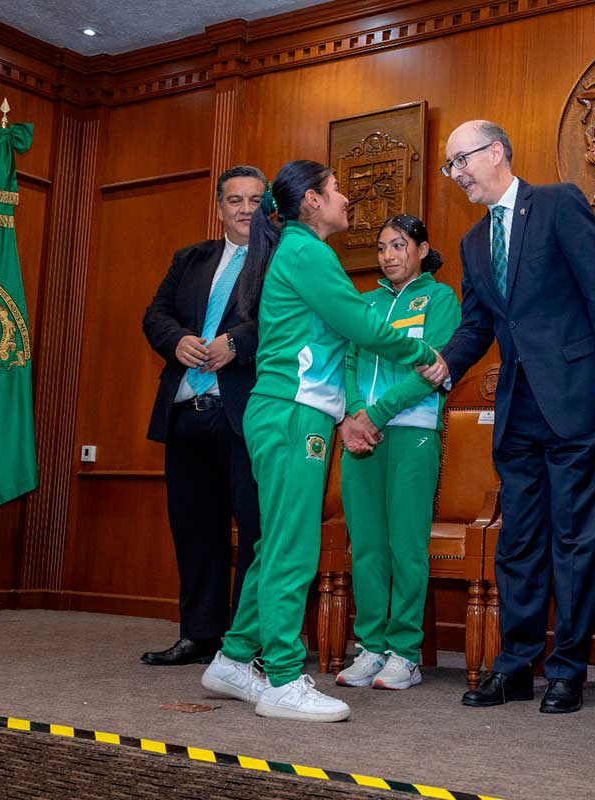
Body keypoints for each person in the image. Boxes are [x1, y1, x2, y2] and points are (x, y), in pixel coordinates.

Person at [199, 160, 448, 723]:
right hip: (293, 414)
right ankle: (284, 677)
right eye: (336, 191)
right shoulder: (307, 251)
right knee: (293, 548)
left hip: (290, 413)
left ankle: (236, 658)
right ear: (311, 200)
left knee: (278, 542)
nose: (344, 201)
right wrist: (422, 353)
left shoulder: (294, 249)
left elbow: (347, 323)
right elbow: (359, 321)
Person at [440, 120, 595, 713]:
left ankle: (568, 671)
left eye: (461, 161)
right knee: (519, 541)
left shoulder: (557, 204)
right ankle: (516, 665)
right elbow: (479, 326)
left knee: (575, 540)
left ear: (496, 151)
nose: (457, 174)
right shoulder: (474, 242)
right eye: (450, 167)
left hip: (577, 397)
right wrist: (443, 366)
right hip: (517, 406)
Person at [141, 165, 266, 666]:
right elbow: (155, 314)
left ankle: (245, 642)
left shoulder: (281, 260)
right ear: (219, 208)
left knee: (255, 531)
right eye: (234, 201)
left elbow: (288, 322)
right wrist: (178, 341)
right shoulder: (189, 258)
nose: (244, 210)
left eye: (255, 201)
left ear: (267, 209)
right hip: (186, 412)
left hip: (246, 416)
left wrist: (235, 342)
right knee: (195, 529)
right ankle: (199, 635)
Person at [334, 214, 461, 690]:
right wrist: (351, 416)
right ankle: (370, 647)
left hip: (411, 431)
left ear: (422, 249)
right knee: (366, 546)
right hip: (360, 436)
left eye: (399, 245)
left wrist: (376, 414)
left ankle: (404, 652)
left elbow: (430, 368)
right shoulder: (363, 303)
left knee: (405, 544)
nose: (388, 255)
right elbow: (347, 360)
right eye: (383, 247)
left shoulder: (440, 298)